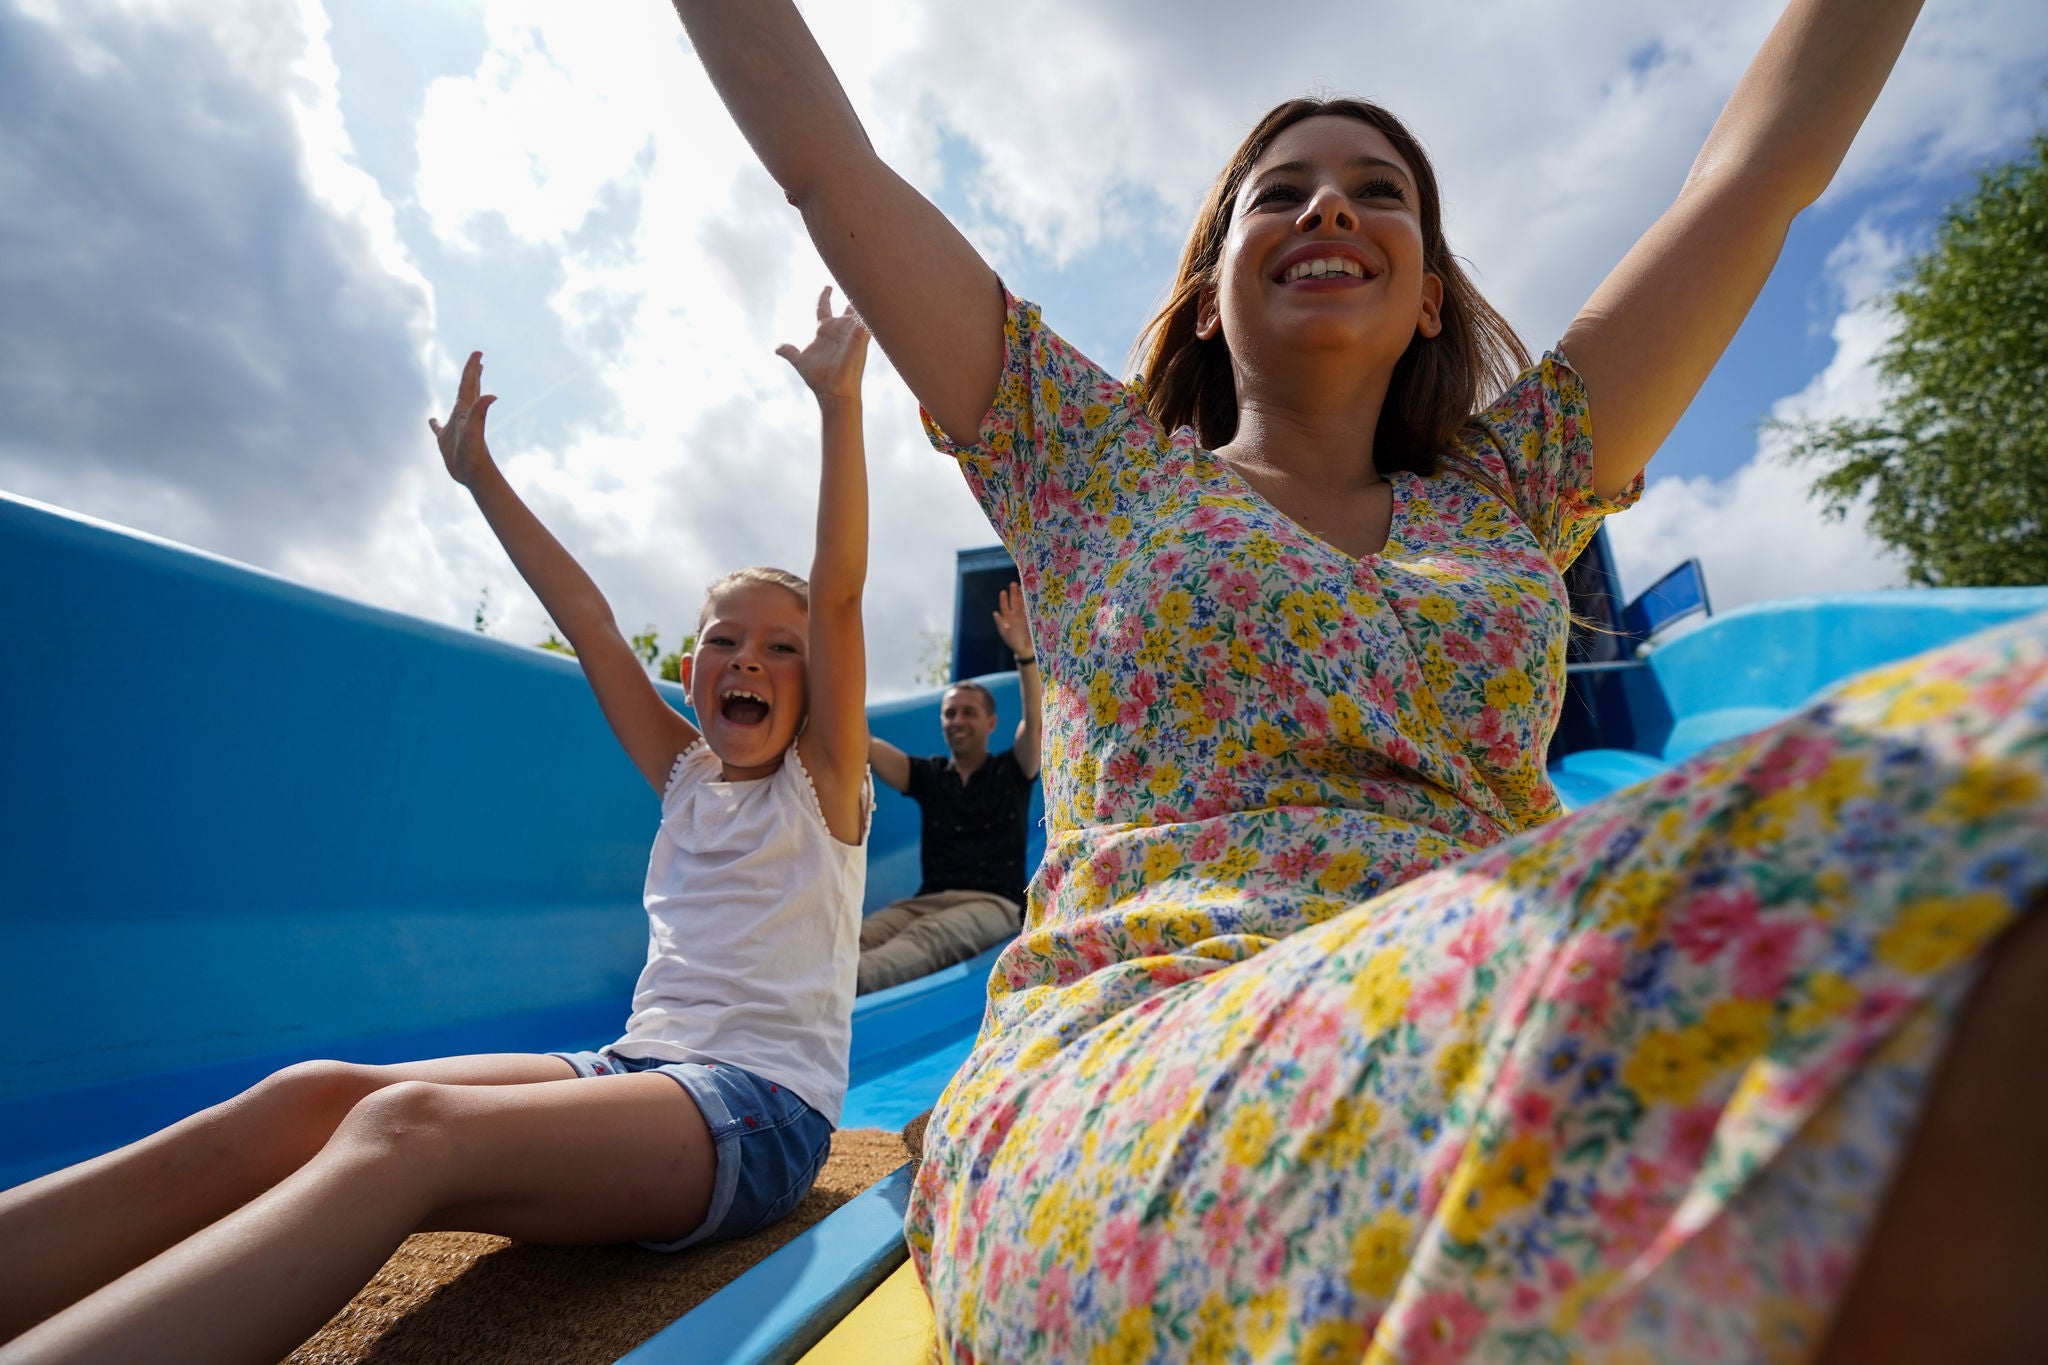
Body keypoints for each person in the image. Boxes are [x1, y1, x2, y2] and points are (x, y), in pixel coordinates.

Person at [673, 1, 2048, 1360]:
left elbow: (1759, 175)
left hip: (1528, 977)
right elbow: (826, 164)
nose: (1330, 209)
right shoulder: (1092, 469)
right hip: (1157, 1050)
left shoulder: (1513, 487)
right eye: (1285, 193)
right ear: (1210, 294)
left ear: (1429, 289)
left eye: (1376, 193)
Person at [0, 289, 876, 1364]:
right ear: (691, 667)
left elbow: (836, 598)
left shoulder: (821, 788)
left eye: (779, 648)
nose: (746, 657)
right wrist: (480, 477)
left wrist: (839, 406)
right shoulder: (687, 771)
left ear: (813, 679)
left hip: (757, 1113)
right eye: (722, 638)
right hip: (632, 1068)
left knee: (406, 1131)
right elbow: (590, 620)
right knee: (306, 1099)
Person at [860, 583, 1042, 993]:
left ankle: (830, 991)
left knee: (920, 945)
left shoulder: (1012, 769)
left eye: (968, 712)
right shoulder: (930, 776)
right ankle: (805, 984)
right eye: (949, 713)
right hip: (922, 901)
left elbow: (1036, 723)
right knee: (850, 939)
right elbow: (864, 744)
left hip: (990, 903)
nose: (957, 720)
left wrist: (1025, 656)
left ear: (991, 723)